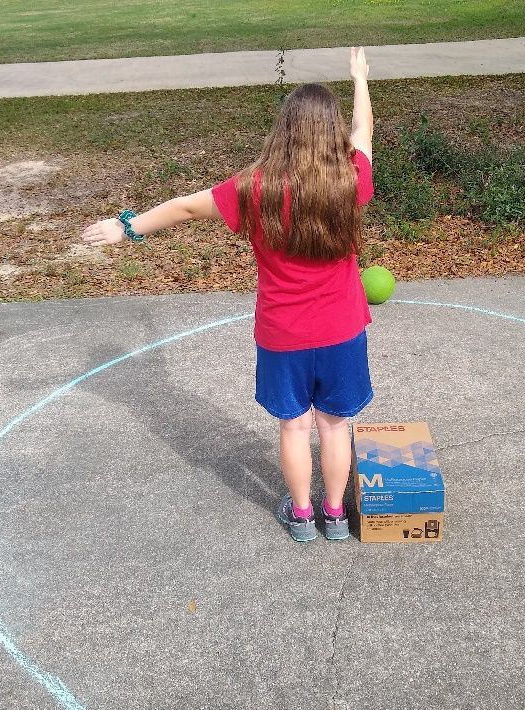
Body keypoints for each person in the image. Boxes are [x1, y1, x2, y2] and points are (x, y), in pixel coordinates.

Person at [81, 48, 375, 543]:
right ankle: (336, 517)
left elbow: (185, 208)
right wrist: (360, 81)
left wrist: (126, 226)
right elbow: (364, 132)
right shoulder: (351, 179)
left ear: (283, 131)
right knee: (333, 426)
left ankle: (302, 517)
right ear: (333, 133)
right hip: (342, 329)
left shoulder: (254, 189)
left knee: (294, 428)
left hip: (283, 334)